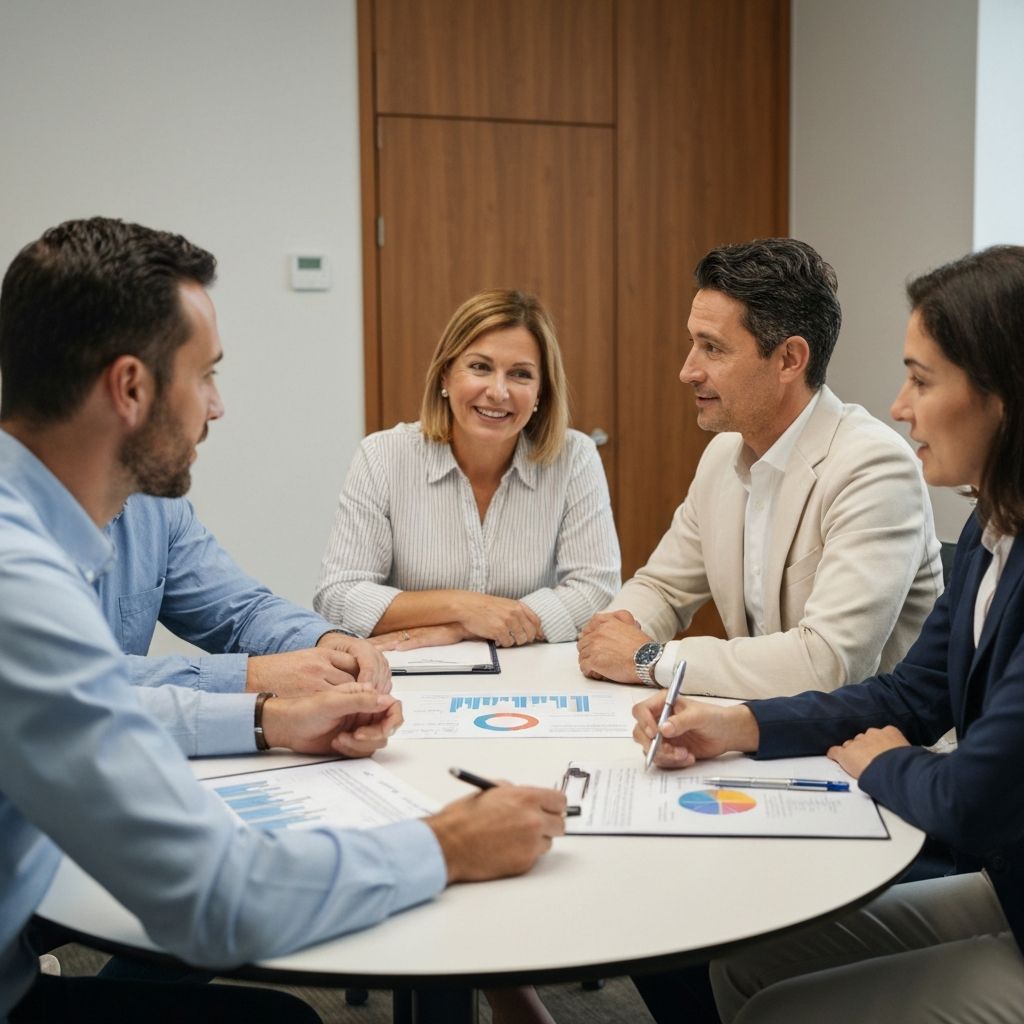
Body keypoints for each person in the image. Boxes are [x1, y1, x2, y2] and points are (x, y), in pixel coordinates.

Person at [0, 217, 567, 1022]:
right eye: (206, 375)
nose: (218, 407)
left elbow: (201, 631)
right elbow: (218, 899)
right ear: (130, 388)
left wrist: (297, 683)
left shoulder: (98, 512)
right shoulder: (19, 581)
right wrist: (448, 845)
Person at [632, 244, 1024, 1023]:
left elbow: (971, 797)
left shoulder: (876, 466)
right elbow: (911, 694)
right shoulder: (994, 524)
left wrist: (886, 762)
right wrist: (740, 726)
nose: (901, 405)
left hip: (977, 854)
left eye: (922, 380)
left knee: (777, 1008)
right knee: (738, 966)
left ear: (1003, 397)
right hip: (1006, 881)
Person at [578, 238, 942, 698]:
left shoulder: (874, 468)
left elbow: (828, 664)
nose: (688, 371)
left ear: (789, 359)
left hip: (866, 736)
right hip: (759, 724)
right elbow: (663, 588)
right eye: (692, 344)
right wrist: (614, 632)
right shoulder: (722, 455)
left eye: (712, 348)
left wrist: (648, 658)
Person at [314, 288, 620, 649]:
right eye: (480, 367)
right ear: (445, 375)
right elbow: (338, 596)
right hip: (414, 669)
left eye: (520, 374)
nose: (498, 392)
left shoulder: (574, 457)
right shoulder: (382, 456)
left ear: (541, 392)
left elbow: (596, 590)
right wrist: (464, 608)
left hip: (532, 668)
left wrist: (462, 629)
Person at [101, 491, 392, 697]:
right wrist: (252, 679)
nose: (215, 412)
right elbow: (82, 678)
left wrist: (325, 640)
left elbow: (241, 612)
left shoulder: (156, 504)